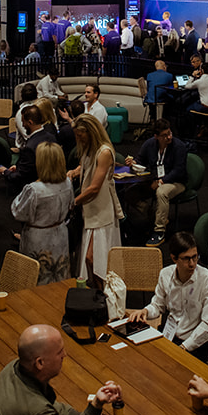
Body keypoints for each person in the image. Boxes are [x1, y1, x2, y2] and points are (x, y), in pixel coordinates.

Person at [127, 231, 208, 355]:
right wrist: (145, 311)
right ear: (174, 258)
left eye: (195, 257)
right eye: (186, 258)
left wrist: (183, 347)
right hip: (169, 336)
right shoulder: (165, 274)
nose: (192, 264)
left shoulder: (207, 279)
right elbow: (158, 305)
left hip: (193, 344)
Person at [68, 114, 123, 288]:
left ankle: (103, 292)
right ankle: (97, 291)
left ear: (90, 132)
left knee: (92, 258)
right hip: (90, 210)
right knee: (90, 259)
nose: (78, 139)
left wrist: (73, 202)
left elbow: (94, 188)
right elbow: (85, 165)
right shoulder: (90, 149)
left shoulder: (104, 152)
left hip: (101, 210)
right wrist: (74, 172)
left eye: (80, 135)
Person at [10, 143, 74, 285]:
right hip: (60, 233)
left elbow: (18, 212)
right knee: (59, 276)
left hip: (38, 238)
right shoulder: (67, 183)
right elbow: (71, 205)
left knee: (37, 280)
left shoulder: (34, 189)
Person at [121, 119, 189, 246]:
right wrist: (133, 163)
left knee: (161, 192)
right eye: (164, 135)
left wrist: (161, 182)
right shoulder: (149, 144)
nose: (169, 137)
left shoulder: (179, 147)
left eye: (169, 133)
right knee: (130, 194)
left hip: (176, 182)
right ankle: (156, 216)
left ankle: (159, 231)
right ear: (156, 136)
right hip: (154, 180)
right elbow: (140, 160)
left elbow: (179, 171)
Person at [1, 105, 54, 195]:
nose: (23, 125)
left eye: (23, 122)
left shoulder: (30, 147)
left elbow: (21, 176)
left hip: (34, 190)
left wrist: (5, 172)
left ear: (30, 122)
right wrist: (19, 167)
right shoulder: (51, 137)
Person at [143, 58, 175, 123]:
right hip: (161, 99)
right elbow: (170, 89)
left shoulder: (149, 75)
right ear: (164, 66)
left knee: (153, 97)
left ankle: (152, 119)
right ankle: (166, 120)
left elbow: (148, 88)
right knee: (172, 99)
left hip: (150, 99)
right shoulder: (169, 75)